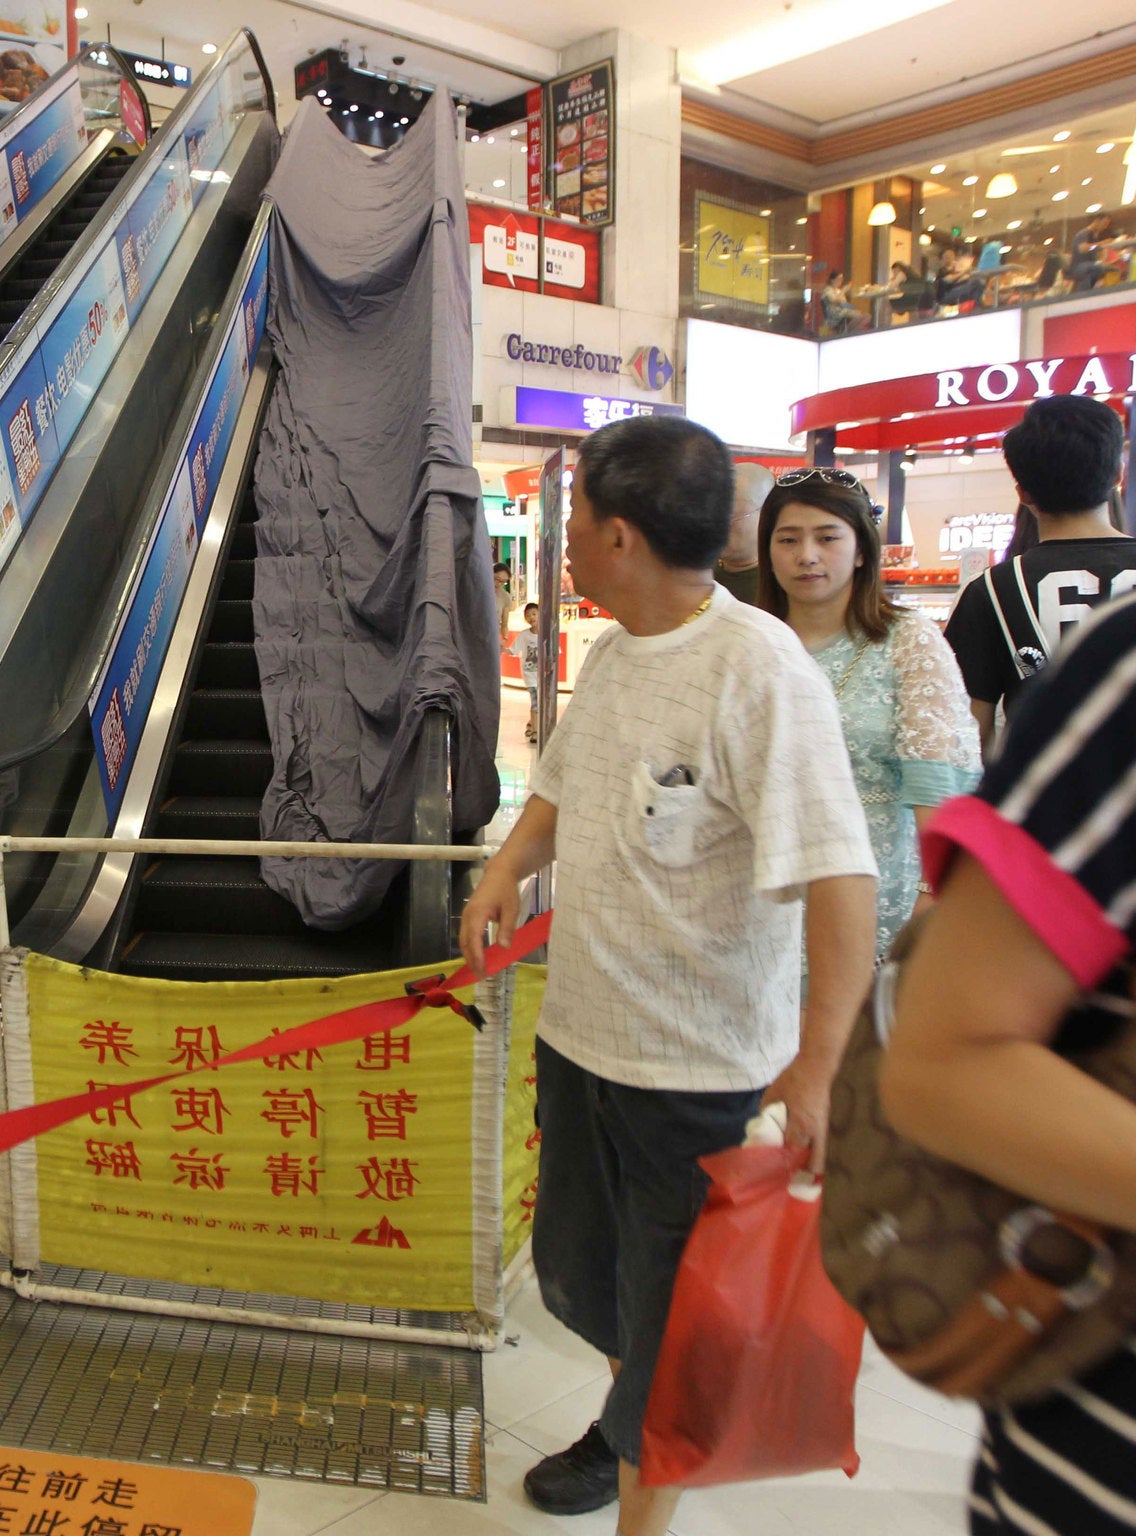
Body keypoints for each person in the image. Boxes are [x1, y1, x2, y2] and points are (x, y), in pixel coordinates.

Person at [458, 417, 878, 1534]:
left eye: (577, 523)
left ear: (620, 537)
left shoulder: (758, 670)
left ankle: (644, 1469)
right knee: (584, 1286)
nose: (566, 547)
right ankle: (619, 1427)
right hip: (581, 1042)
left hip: (691, 1077)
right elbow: (558, 784)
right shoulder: (615, 650)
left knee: (671, 1335)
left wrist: (818, 1069)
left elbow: (841, 880)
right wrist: (504, 868)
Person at [882, 578, 1136, 1536]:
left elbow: (946, 746)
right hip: (1120, 1436)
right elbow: (947, 1061)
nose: (805, 556)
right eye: (787, 536)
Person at [758, 469, 981, 952]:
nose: (807, 556)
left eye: (827, 537)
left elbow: (939, 782)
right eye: (788, 539)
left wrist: (933, 896)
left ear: (862, 550)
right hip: (761, 903)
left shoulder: (907, 641)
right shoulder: (751, 644)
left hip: (882, 903)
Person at [944, 395, 1136, 753]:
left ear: (1023, 493)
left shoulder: (993, 590)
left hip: (1037, 799)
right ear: (1119, 474)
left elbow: (967, 732)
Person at [714, 460, 774, 606]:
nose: (717, 524)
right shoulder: (698, 576)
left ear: (766, 514)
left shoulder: (781, 584)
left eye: (729, 515)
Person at [514, 601, 542, 742]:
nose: (531, 618)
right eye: (528, 615)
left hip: (542, 676)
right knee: (535, 701)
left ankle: (532, 724)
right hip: (530, 675)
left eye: (534, 614)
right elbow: (513, 649)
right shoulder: (524, 635)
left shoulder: (545, 635)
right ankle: (536, 731)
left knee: (539, 701)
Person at [819, 269, 858, 336]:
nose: (840, 281)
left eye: (842, 279)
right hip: (833, 315)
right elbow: (835, 301)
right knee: (858, 316)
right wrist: (843, 290)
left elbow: (843, 303)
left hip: (842, 311)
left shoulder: (838, 290)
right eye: (839, 279)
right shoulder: (828, 290)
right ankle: (847, 333)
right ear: (832, 280)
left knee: (863, 316)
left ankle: (849, 332)